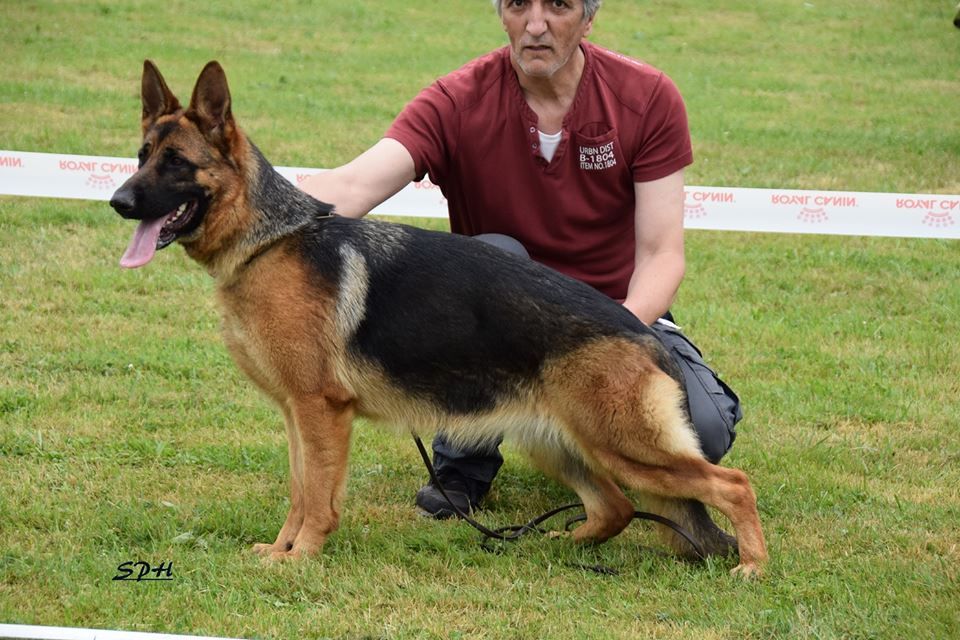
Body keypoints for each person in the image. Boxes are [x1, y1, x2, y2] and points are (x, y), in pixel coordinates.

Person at [301, 0, 742, 518]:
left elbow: (662, 255)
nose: (536, 25)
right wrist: (252, 197)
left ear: (588, 16)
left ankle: (585, 442)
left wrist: (607, 352)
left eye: (557, 6)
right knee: (489, 256)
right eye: (517, 5)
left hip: (614, 317)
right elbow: (354, 183)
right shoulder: (456, 99)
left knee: (704, 435)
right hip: (499, 325)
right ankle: (463, 466)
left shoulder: (646, 97)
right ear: (501, 15)